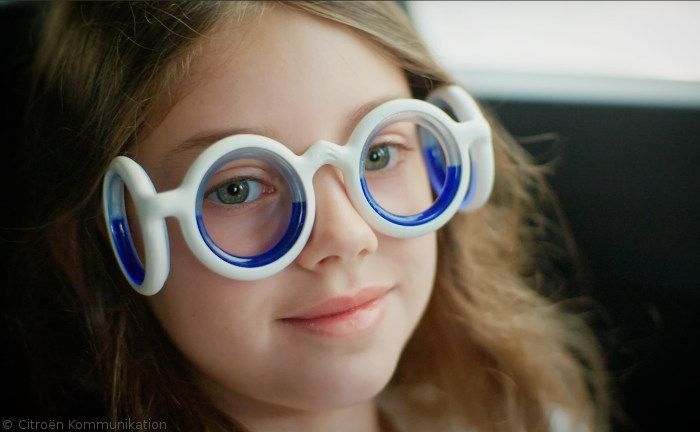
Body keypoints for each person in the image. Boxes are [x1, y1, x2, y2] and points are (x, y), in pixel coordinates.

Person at [13, 1, 610, 431]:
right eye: (239, 187)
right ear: (110, 239)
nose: (345, 237)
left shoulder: (512, 417)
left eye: (378, 154)